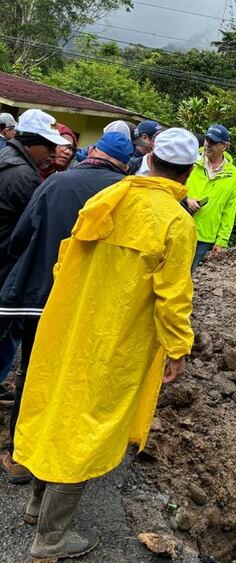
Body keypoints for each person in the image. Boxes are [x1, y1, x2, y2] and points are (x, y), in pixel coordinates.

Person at [12, 128, 199, 560]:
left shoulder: (106, 200)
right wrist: (178, 348)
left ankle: (36, 507)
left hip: (69, 325)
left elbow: (65, 261)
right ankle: (50, 539)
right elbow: (174, 296)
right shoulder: (175, 221)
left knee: (57, 406)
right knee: (86, 427)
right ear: (187, 173)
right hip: (115, 340)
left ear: (148, 159)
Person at [0, 132, 133, 485]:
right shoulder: (128, 197)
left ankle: (19, 456)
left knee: (32, 371)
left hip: (42, 298)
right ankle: (62, 458)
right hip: (94, 305)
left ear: (94, 154)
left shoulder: (57, 183)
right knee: (78, 377)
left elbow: (21, 236)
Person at [0, 109, 69, 416]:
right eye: (49, 147)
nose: (54, 153)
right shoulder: (23, 177)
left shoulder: (10, 162)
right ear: (31, 143)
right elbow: (28, 231)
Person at [184, 124, 236, 272]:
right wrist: (186, 199)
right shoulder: (192, 160)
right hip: (180, 225)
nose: (207, 144)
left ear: (224, 146)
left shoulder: (233, 175)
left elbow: (230, 209)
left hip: (204, 235)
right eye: (207, 139)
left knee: (187, 272)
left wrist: (222, 240)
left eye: (213, 142)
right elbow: (173, 185)